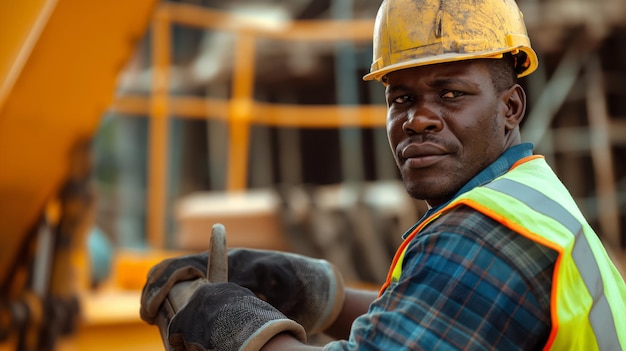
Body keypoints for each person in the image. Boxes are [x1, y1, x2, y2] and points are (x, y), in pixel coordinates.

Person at [139, 0, 626, 350]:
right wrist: (317, 294)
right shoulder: (528, 197)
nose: (418, 119)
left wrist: (239, 330)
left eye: (451, 93)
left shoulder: (485, 234)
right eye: (401, 99)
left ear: (510, 108)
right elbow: (433, 312)